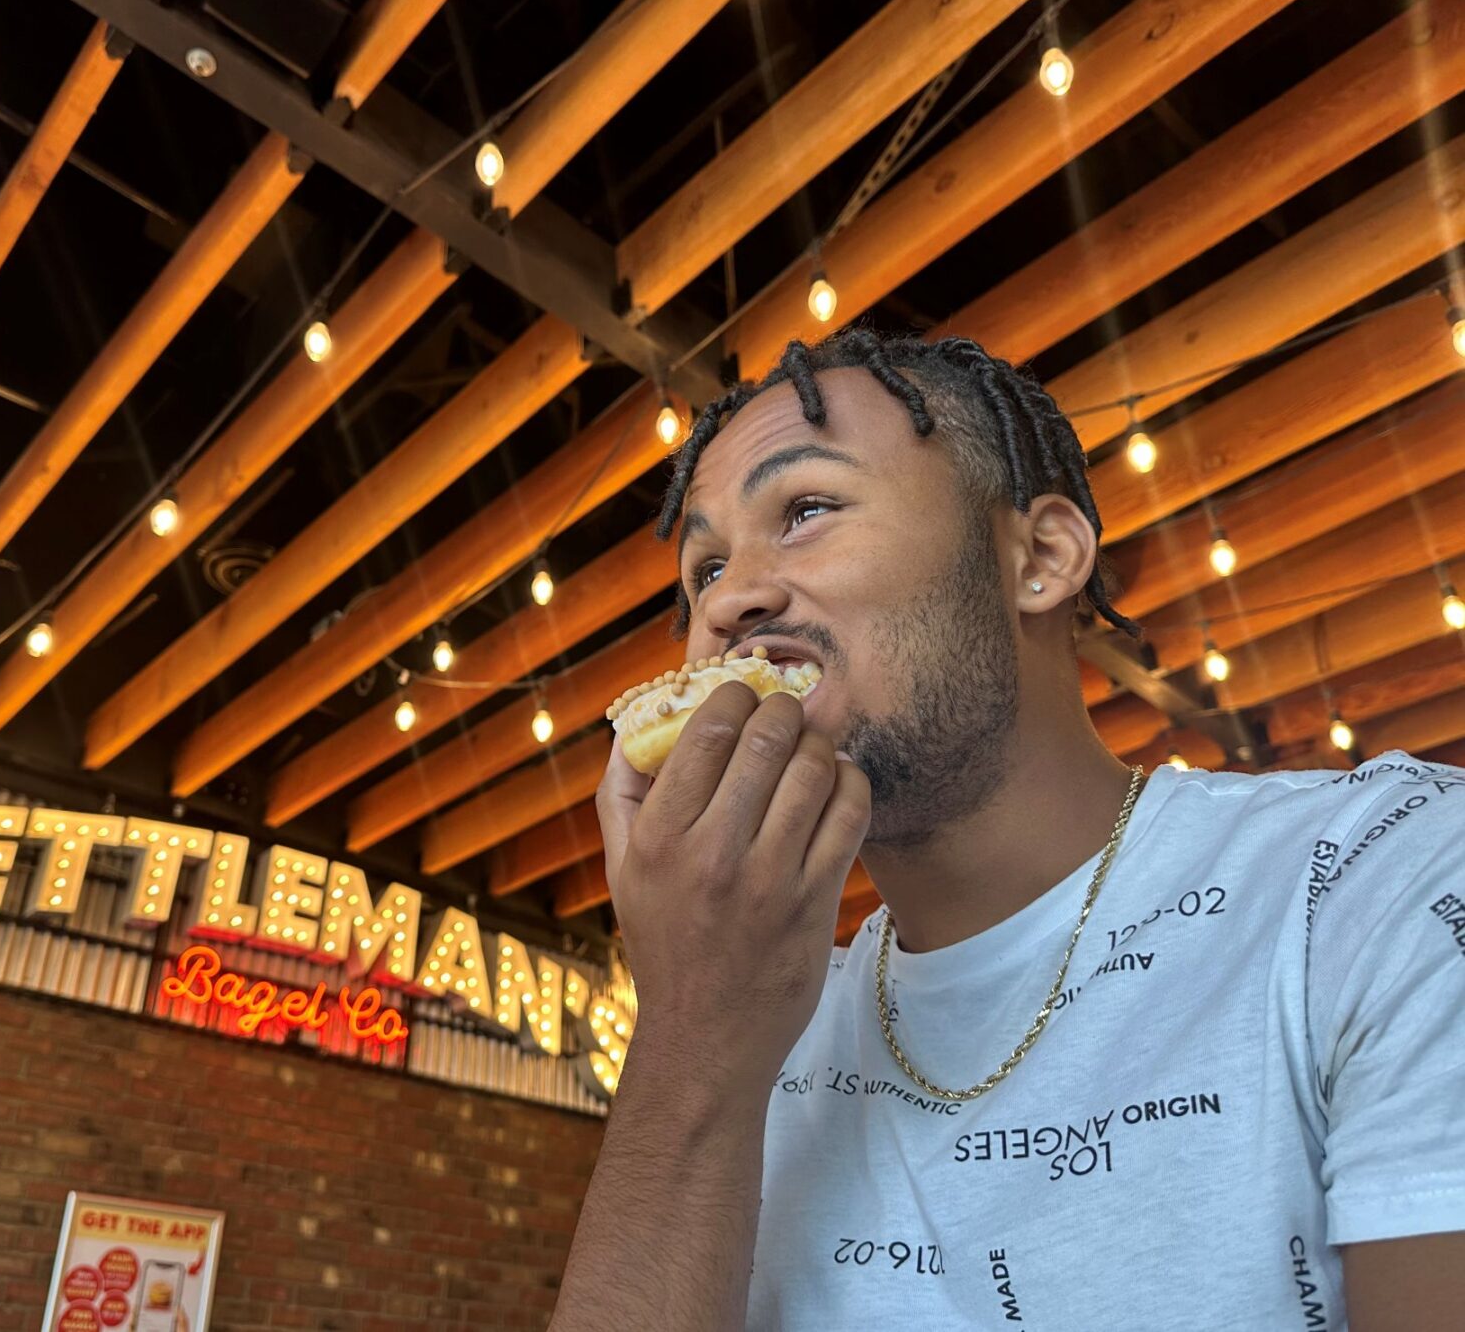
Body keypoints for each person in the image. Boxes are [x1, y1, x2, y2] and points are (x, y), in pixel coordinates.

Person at [550, 324, 1465, 1329]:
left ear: (1040, 557)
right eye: (703, 571)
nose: (728, 600)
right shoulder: (744, 1014)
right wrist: (684, 1038)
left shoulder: (1384, 877)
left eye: (806, 508)